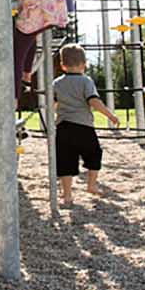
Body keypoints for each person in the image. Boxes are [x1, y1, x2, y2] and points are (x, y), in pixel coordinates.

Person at [53, 42, 120, 206]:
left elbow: (53, 104)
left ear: (62, 65)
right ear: (84, 64)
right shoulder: (86, 81)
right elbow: (93, 101)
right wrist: (110, 115)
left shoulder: (57, 83)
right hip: (83, 126)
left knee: (65, 160)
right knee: (94, 154)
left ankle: (67, 195)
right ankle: (91, 184)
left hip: (63, 127)